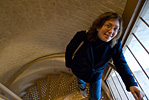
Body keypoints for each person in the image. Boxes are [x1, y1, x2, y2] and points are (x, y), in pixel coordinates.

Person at [65, 12, 145, 100]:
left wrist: (131, 84)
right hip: (80, 69)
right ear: (98, 26)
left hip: (96, 75)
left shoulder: (115, 43)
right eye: (108, 26)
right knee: (80, 81)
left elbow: (120, 62)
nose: (111, 31)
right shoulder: (82, 36)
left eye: (115, 29)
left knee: (96, 97)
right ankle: (82, 89)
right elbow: (70, 49)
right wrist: (68, 64)